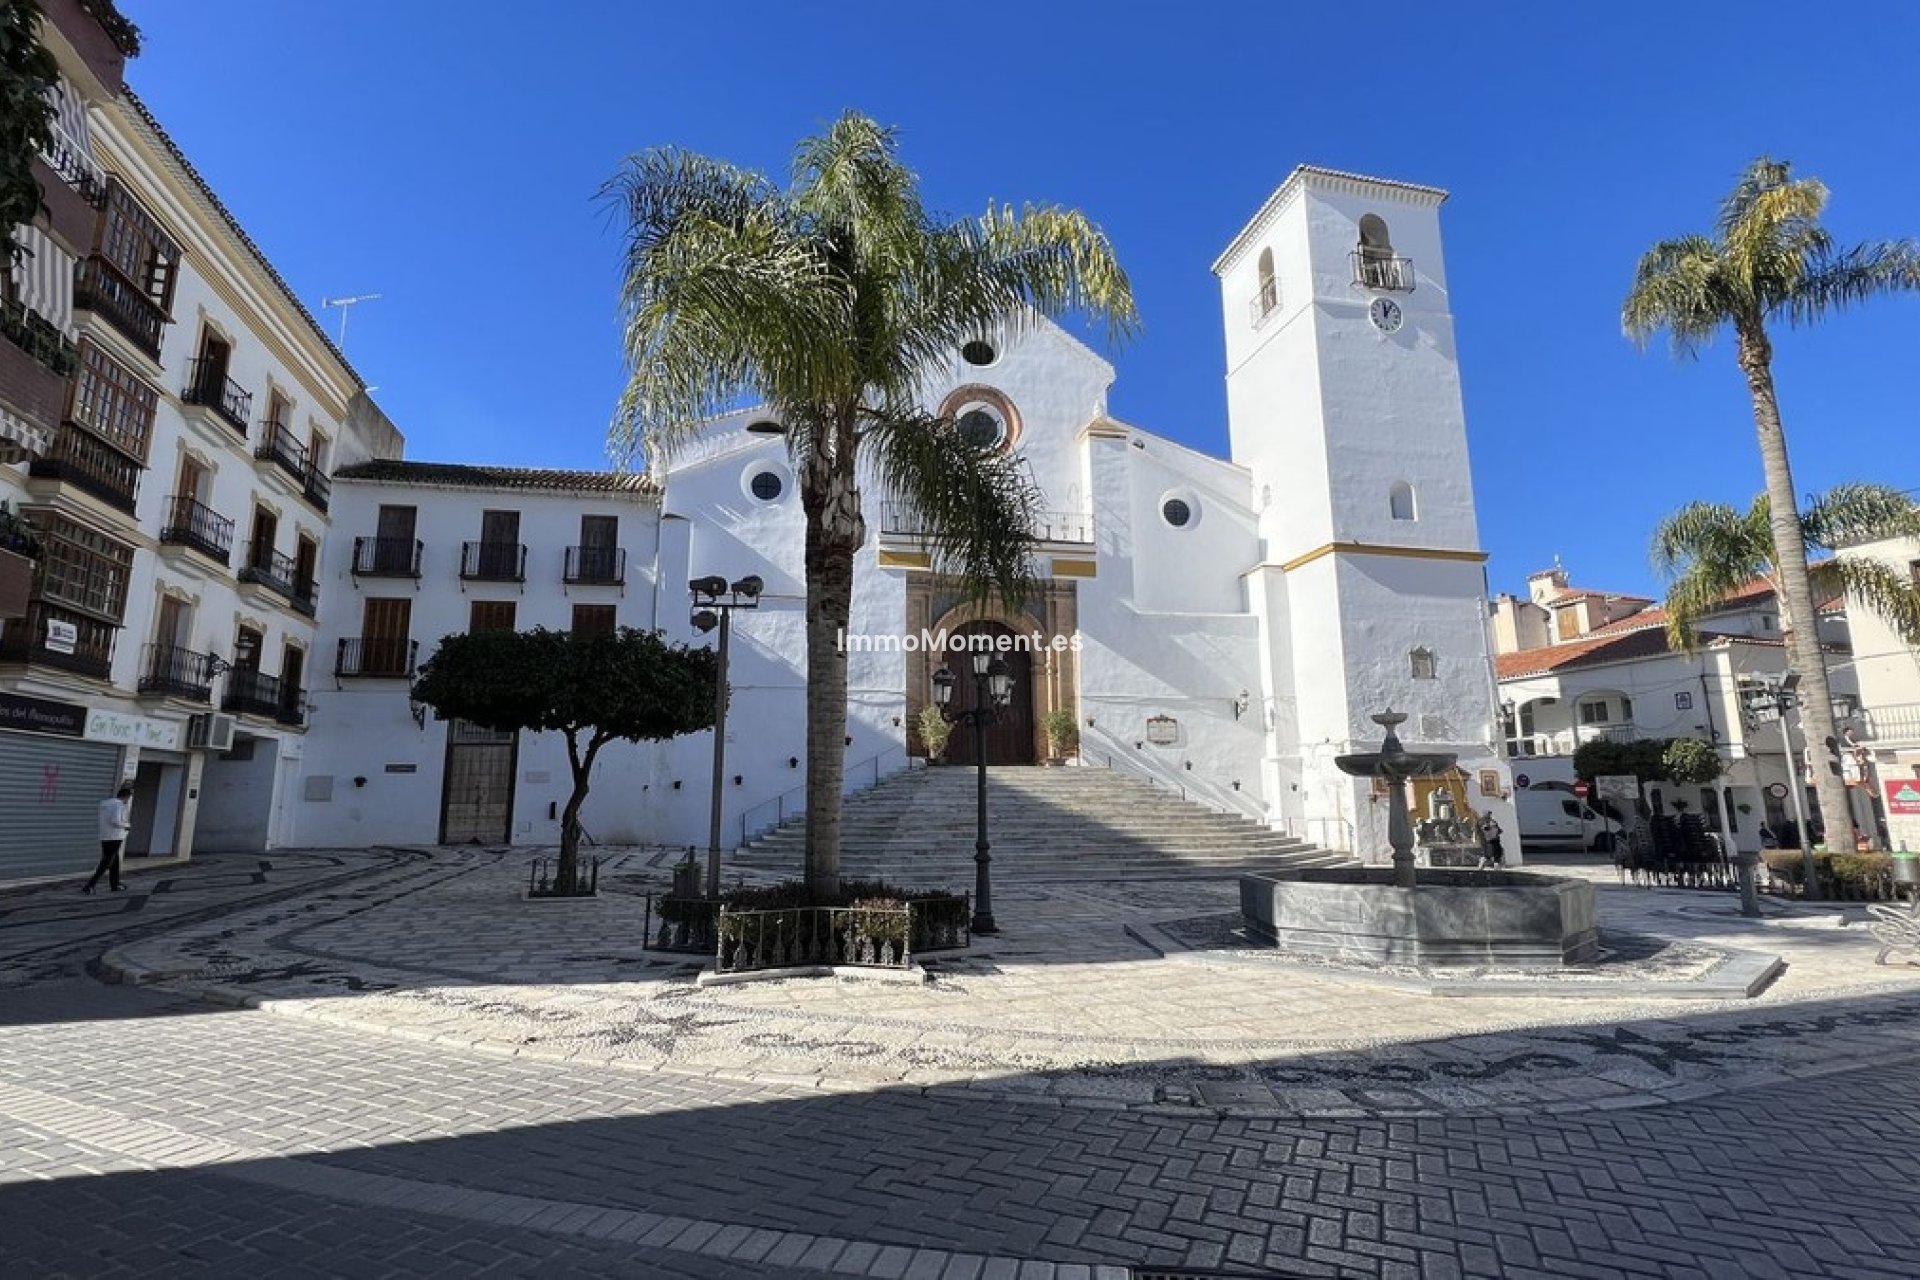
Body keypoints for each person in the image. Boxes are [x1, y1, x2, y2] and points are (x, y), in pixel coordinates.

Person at [84, 783, 134, 894]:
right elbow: (115, 820)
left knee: (114, 860)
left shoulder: (105, 804)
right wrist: (127, 825)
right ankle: (90, 885)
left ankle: (115, 884)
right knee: (107, 861)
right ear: (126, 797)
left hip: (105, 835)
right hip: (115, 836)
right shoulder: (119, 805)